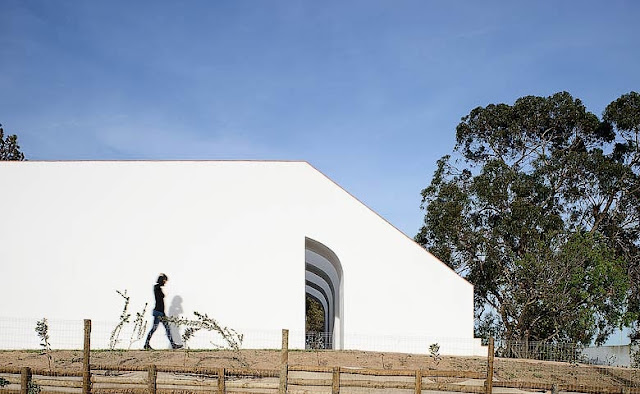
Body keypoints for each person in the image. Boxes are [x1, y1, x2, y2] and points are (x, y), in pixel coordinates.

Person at [144, 273, 183, 350]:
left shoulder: (157, 288)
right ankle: (146, 344)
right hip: (159, 312)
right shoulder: (157, 287)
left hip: (160, 312)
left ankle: (172, 344)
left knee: (165, 329)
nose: (165, 282)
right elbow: (160, 299)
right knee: (156, 328)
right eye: (165, 281)